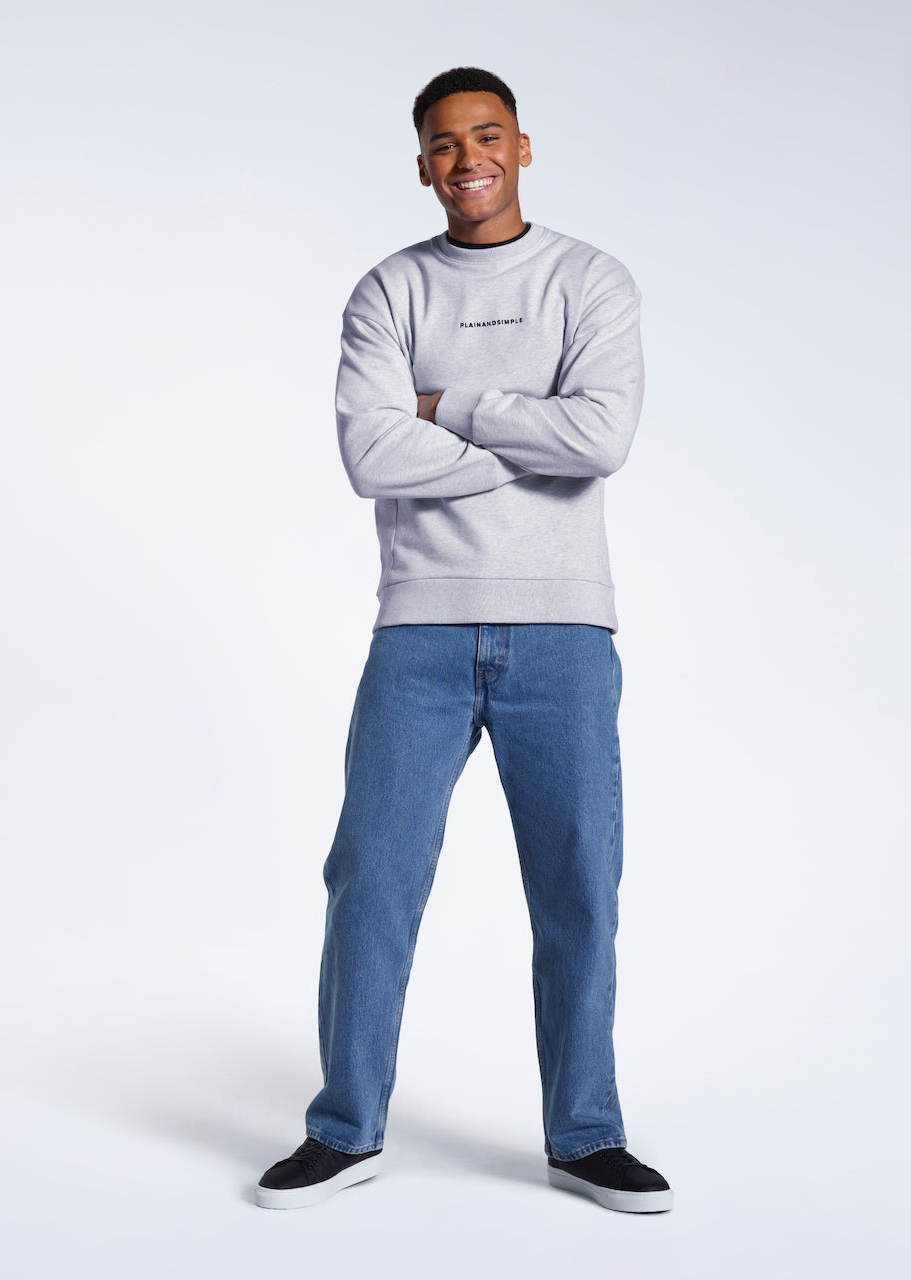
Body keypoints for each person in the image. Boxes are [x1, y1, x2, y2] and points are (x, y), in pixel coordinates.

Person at [255, 66, 673, 1215]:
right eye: (443, 143)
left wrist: (448, 406)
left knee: (579, 885)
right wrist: (533, 433)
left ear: (523, 147)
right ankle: (346, 1128)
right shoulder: (389, 293)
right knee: (370, 876)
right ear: (423, 161)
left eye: (485, 137)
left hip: (564, 628)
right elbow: (368, 457)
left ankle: (585, 1133)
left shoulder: (590, 280)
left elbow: (602, 437)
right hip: (419, 629)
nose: (465, 158)